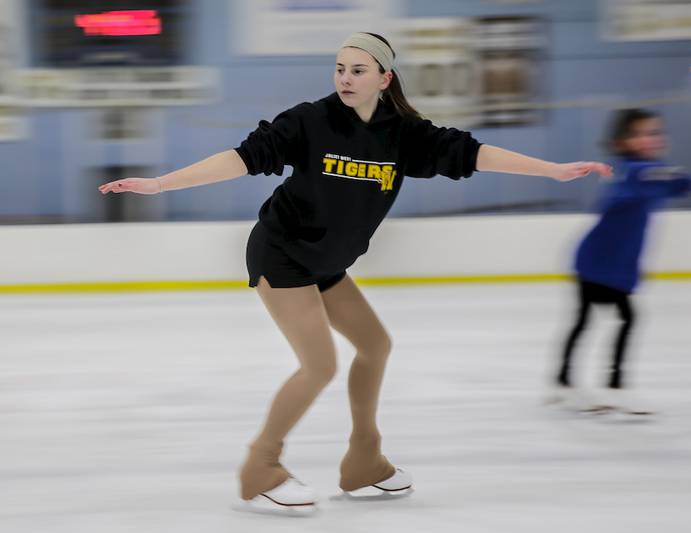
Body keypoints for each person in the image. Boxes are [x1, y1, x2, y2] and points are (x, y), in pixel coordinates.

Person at [99, 32, 611, 511]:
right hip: (282, 254)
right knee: (319, 365)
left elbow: (473, 153)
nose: (345, 78)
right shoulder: (309, 121)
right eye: (340, 69)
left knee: (375, 345)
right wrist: (161, 184)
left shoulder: (403, 136)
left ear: (384, 78)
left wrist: (553, 170)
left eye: (358, 70)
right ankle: (260, 467)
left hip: (327, 263)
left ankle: (364, 461)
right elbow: (242, 158)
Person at [552, 108, 691, 415]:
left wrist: (687, 182)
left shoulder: (651, 172)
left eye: (654, 132)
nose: (649, 139)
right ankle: (569, 384)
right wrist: (670, 179)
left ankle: (605, 386)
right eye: (639, 134)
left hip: (616, 264)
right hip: (595, 261)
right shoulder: (630, 171)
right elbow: (625, 192)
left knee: (620, 319)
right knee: (588, 321)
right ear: (622, 141)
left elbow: (673, 181)